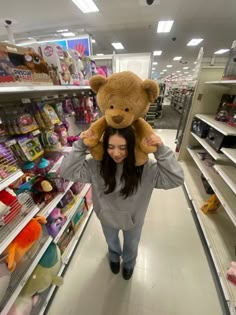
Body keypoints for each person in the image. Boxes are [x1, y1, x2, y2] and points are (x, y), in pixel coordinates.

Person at [60, 126, 184, 280]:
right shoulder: (96, 165)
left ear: (132, 147)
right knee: (111, 240)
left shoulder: (147, 169)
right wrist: (81, 144)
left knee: (131, 245)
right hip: (106, 218)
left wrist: (161, 150)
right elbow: (66, 172)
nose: (116, 153)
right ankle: (113, 257)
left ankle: (129, 264)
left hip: (133, 221)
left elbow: (176, 179)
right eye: (111, 147)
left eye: (123, 148)